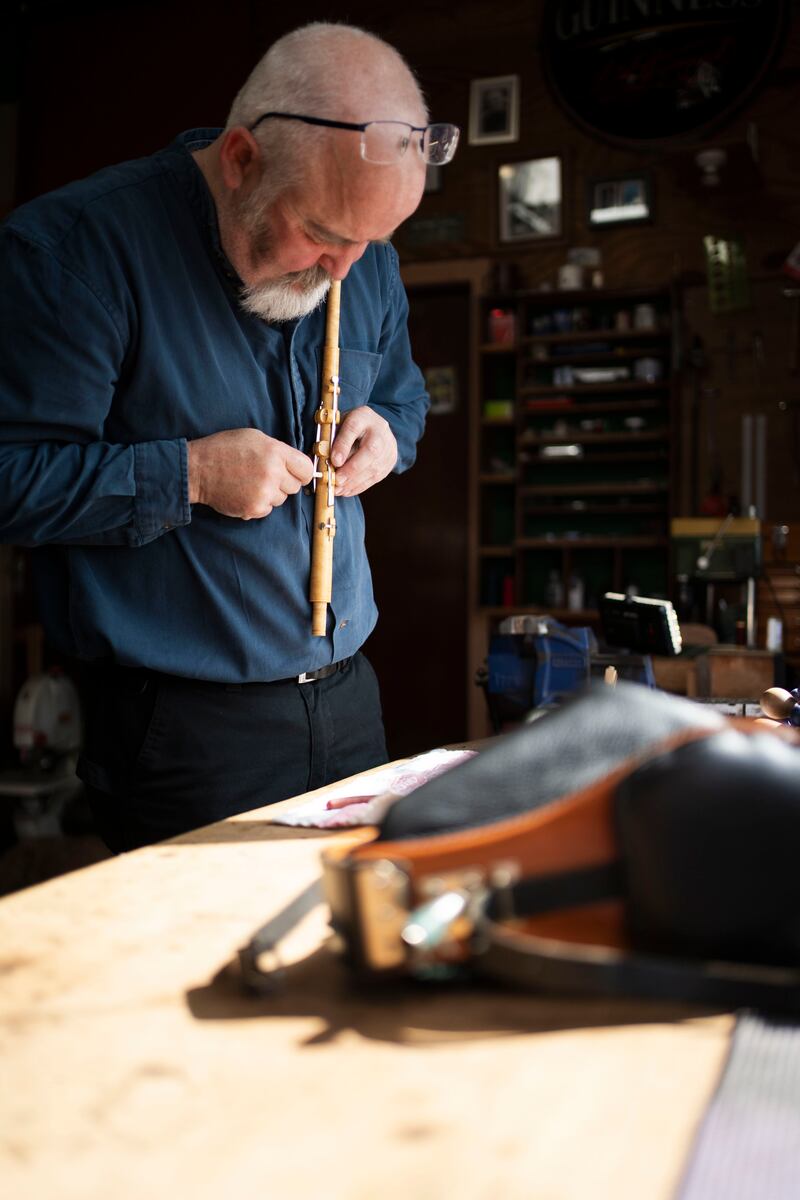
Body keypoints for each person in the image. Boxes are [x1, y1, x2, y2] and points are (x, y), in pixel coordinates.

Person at [0, 22, 460, 852]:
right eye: (321, 234)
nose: (345, 271)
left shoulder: (361, 259)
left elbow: (405, 398)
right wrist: (190, 476)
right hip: (184, 732)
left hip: (351, 698)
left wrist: (389, 436)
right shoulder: (74, 254)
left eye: (371, 243)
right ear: (243, 160)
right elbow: (9, 478)